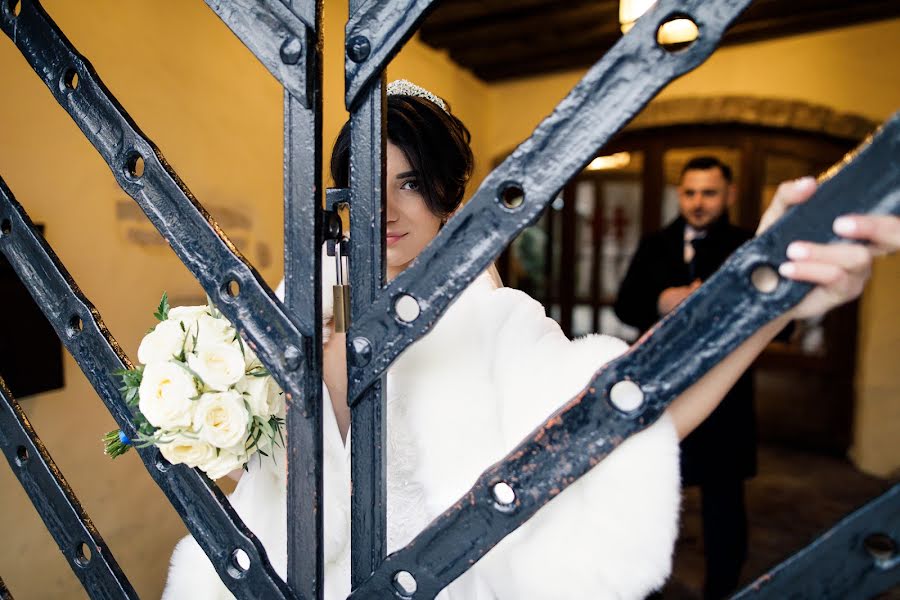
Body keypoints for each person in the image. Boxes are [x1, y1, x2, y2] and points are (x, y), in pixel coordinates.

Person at [162, 82, 889, 600]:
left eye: (411, 183)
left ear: (448, 193)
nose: (385, 208)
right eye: (366, 184)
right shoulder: (295, 298)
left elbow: (626, 414)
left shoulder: (492, 316)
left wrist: (763, 299)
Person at [614, 156, 753, 599]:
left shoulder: (748, 245)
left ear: (728, 195)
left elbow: (778, 321)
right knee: (652, 497)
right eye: (690, 192)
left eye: (709, 193)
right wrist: (661, 300)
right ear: (680, 194)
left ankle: (723, 590)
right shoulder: (655, 244)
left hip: (726, 395)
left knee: (724, 505)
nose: (698, 203)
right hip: (658, 393)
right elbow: (624, 305)